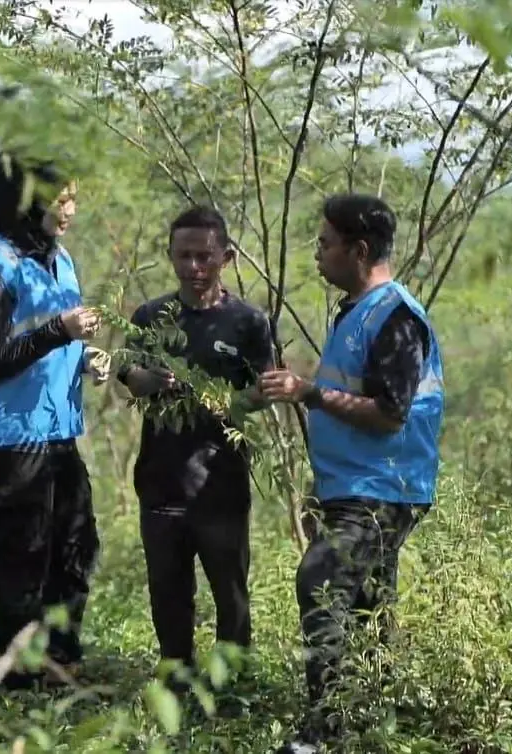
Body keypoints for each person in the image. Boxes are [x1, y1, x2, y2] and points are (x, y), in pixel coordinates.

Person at [258, 193, 444, 753]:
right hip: (352, 487)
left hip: (383, 488)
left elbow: (390, 415)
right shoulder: (357, 310)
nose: (318, 254)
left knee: (320, 581)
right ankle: (378, 722)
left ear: (359, 251)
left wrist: (310, 393)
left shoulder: (397, 318)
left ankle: (323, 733)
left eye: (326, 244)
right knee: (366, 605)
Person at [0, 150, 112, 690]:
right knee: (25, 555)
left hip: (57, 428)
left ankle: (61, 663)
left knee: (75, 545)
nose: (69, 208)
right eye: (59, 199)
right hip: (8, 435)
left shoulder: (58, 257)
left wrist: (83, 357)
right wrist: (59, 335)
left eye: (72, 196)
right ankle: (16, 678)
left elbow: (50, 339)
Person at [116, 205, 276, 695]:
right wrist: (148, 380)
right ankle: (176, 682)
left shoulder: (249, 322)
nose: (193, 267)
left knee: (230, 594)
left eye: (204, 256)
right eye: (183, 256)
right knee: (168, 592)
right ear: (170, 256)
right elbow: (129, 375)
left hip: (221, 483)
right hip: (161, 480)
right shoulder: (150, 317)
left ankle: (232, 688)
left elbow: (265, 391)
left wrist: (224, 401)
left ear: (225, 257)